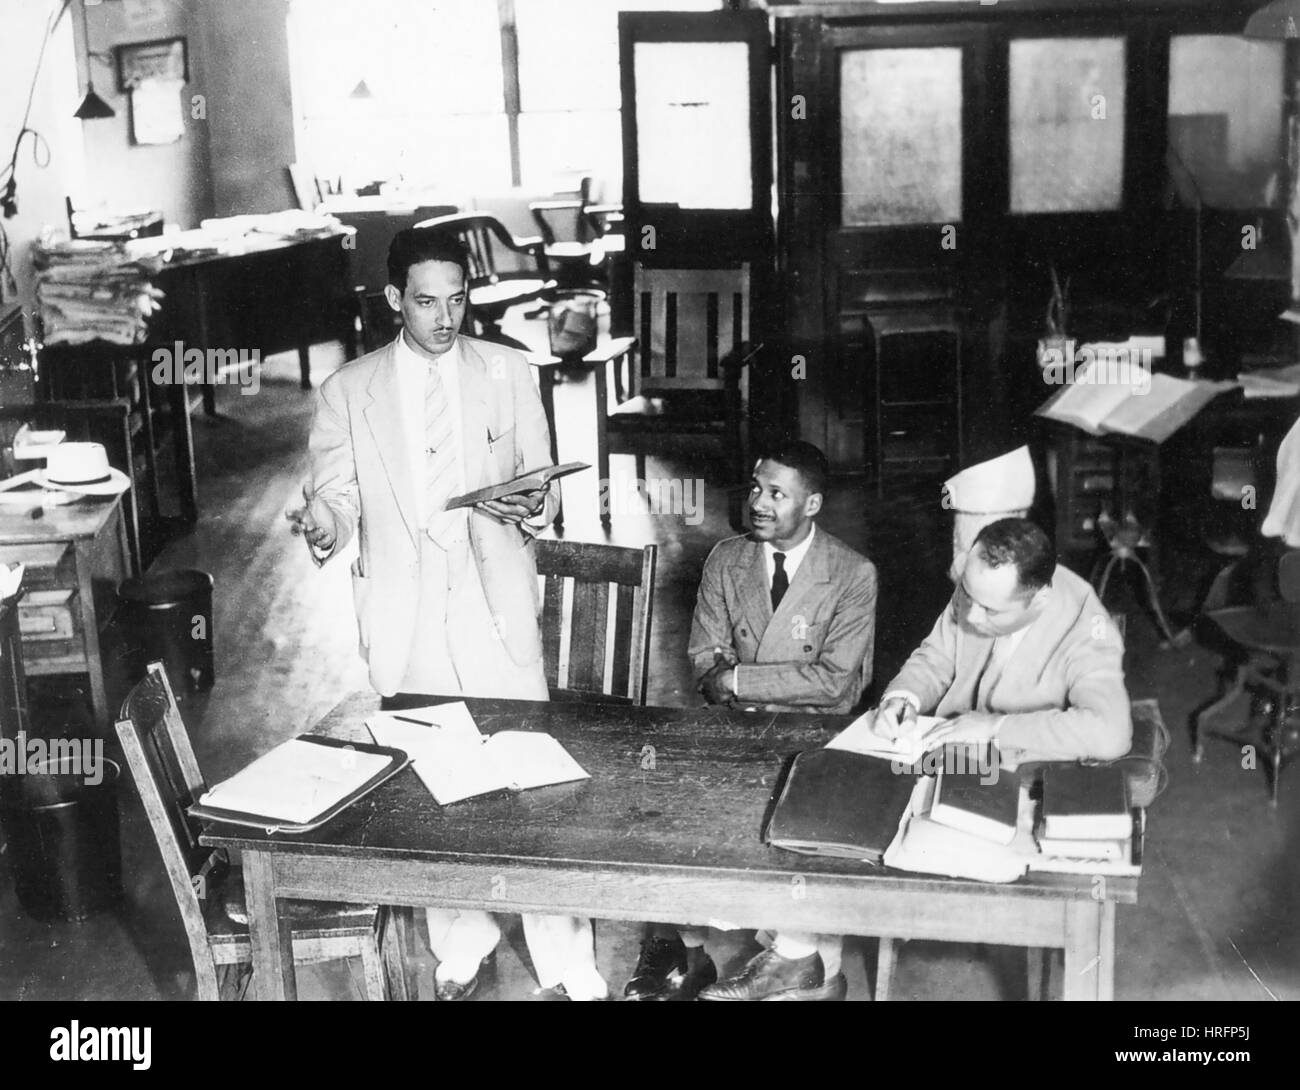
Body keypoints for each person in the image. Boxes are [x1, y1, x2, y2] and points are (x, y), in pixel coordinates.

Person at [288, 227, 606, 1001]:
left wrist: (537, 498)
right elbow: (336, 493)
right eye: (426, 301)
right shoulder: (347, 390)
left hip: (494, 603)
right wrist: (326, 522)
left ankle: (568, 961)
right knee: (438, 785)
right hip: (409, 613)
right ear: (395, 298)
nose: (445, 317)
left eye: (457, 299)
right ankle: (461, 940)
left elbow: (545, 480)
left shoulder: (507, 370)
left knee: (537, 791)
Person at [624, 440, 878, 1001]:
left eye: (777, 494)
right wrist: (754, 682)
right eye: (757, 489)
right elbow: (703, 662)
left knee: (802, 831)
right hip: (738, 731)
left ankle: (801, 964)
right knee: (677, 814)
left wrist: (742, 681)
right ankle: (684, 950)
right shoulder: (725, 559)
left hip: (815, 738)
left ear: (811, 505)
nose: (759, 503)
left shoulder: (854, 573)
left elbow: (835, 683)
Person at [873, 517, 1132, 766]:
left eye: (990, 610)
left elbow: (1110, 732)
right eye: (966, 594)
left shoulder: (1085, 626)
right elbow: (936, 658)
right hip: (949, 752)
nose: (971, 616)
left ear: (1039, 601)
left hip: (1024, 763)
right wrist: (904, 698)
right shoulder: (980, 585)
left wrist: (995, 727)